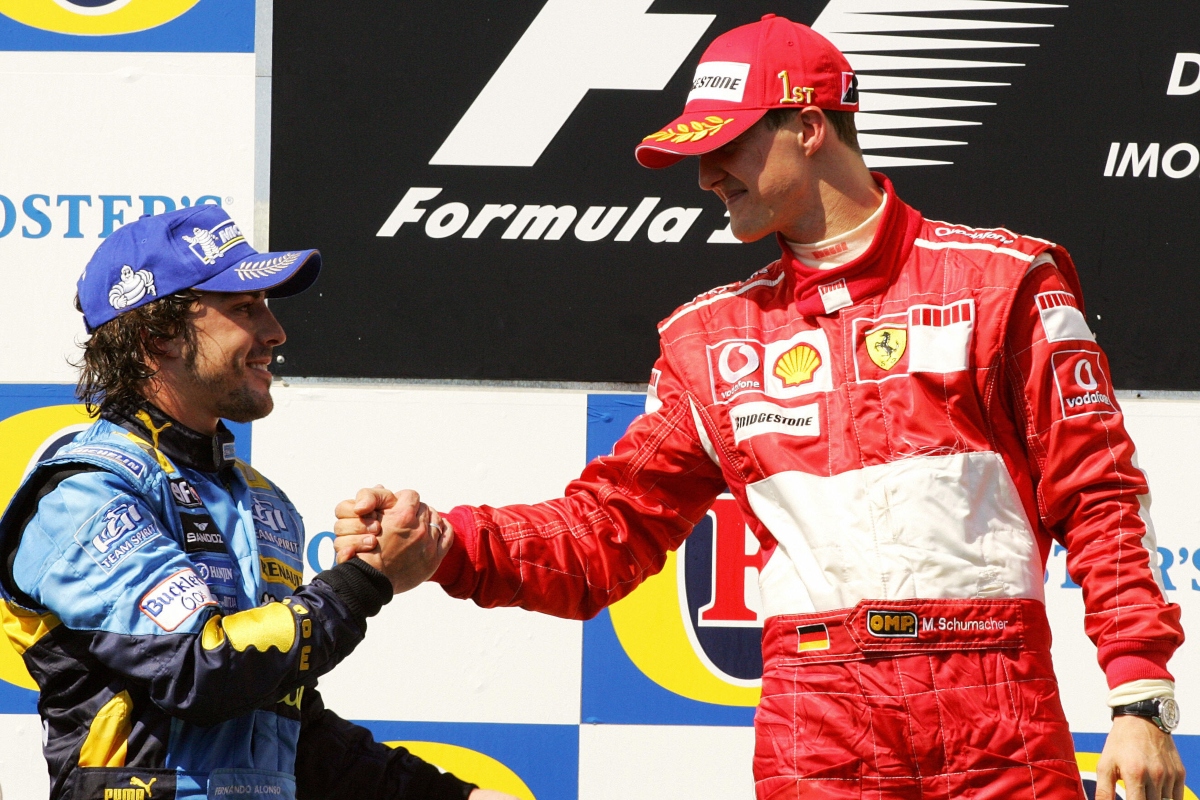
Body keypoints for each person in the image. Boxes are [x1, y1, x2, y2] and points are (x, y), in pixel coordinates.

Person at [334, 14, 1187, 800]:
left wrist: (1139, 699)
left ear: (809, 128)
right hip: (820, 720)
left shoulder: (1006, 282)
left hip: (995, 701)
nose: (706, 176)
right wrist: (448, 543)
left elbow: (1099, 495)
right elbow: (604, 534)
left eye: (728, 147)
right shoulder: (711, 340)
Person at [0, 205, 515, 800]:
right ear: (155, 336)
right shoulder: (87, 488)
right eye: (245, 309)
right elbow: (202, 669)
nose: (275, 332)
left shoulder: (262, 502)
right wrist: (364, 580)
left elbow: (289, 731)